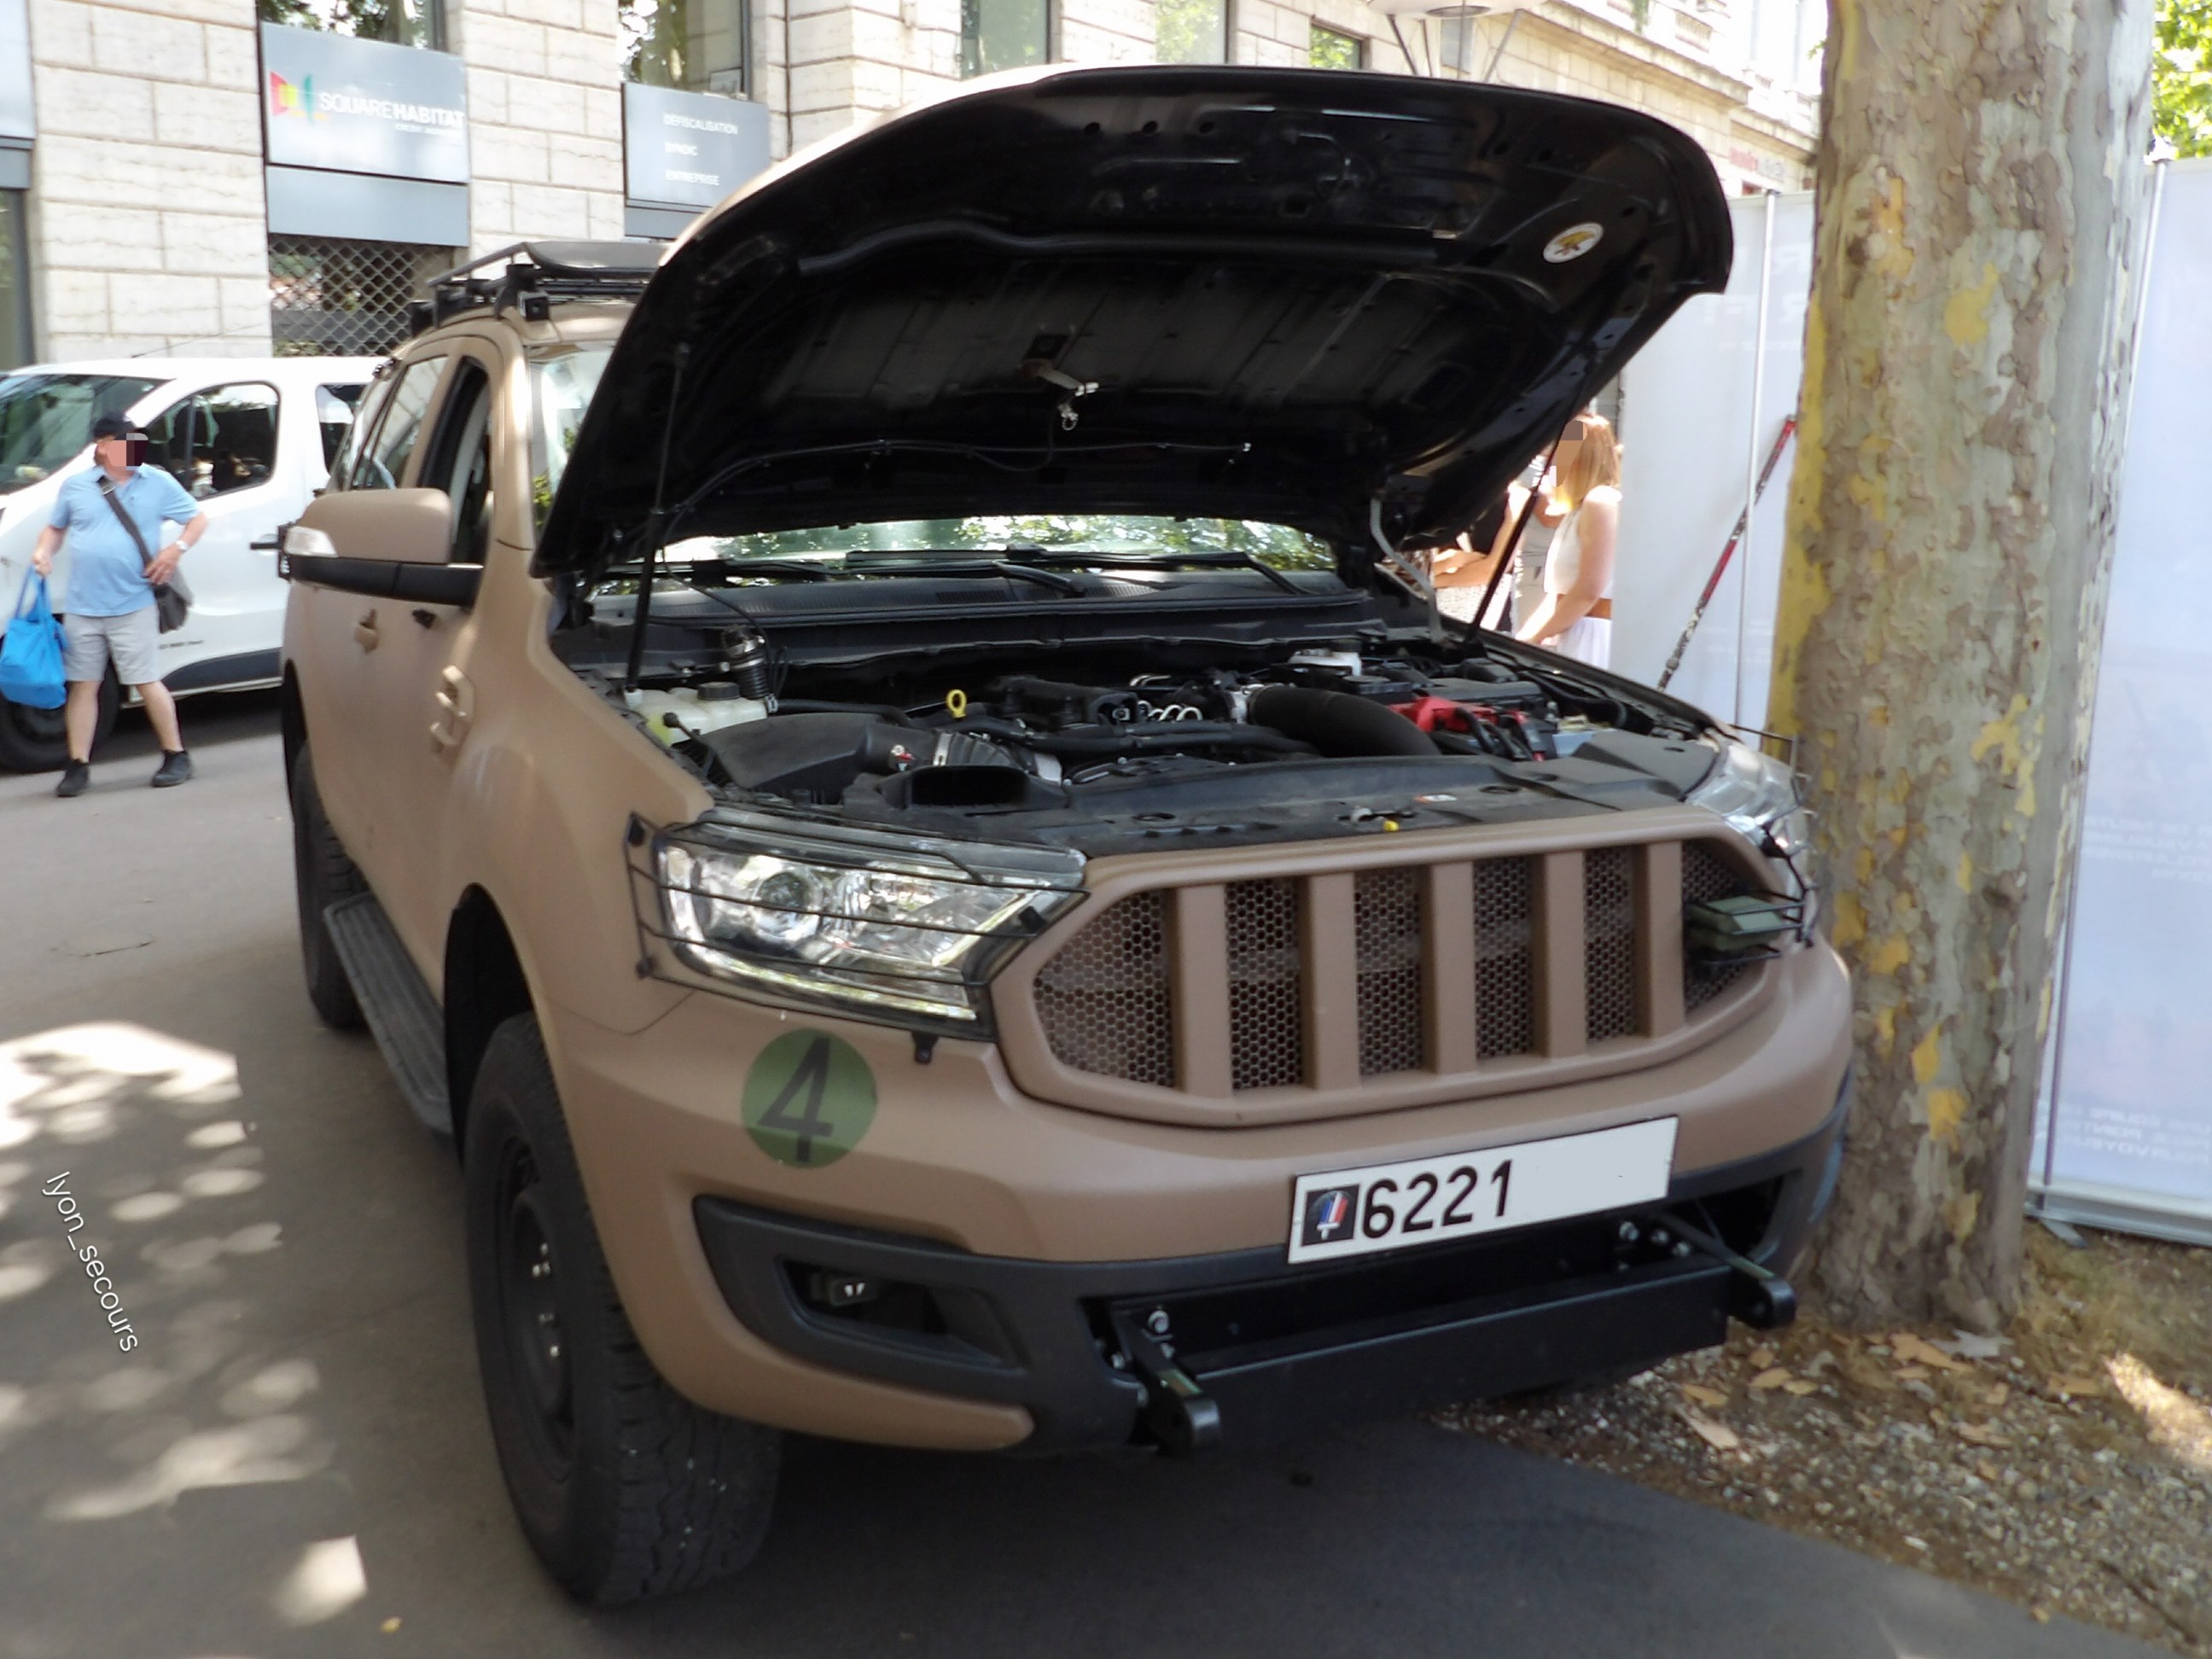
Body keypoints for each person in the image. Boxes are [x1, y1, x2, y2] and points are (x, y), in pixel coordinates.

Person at [31, 411, 207, 796]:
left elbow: (196, 519)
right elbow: (56, 527)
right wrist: (43, 552)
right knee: (84, 685)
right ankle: (77, 765)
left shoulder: (156, 481)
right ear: (103, 446)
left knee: (146, 680)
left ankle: (176, 754)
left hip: (134, 601)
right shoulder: (77, 486)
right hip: (83, 606)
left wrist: (175, 549)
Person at [1516, 410, 1619, 667]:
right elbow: (1561, 595)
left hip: (1588, 637)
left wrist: (1535, 638)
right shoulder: (1580, 509)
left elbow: (1589, 590)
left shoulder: (1600, 502)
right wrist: (1526, 640)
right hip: (1571, 631)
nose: (1550, 464)